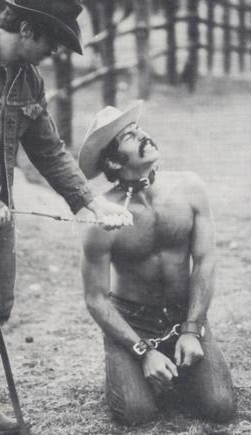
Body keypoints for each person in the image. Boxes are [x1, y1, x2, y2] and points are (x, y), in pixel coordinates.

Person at [0, 1, 133, 434]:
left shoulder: (29, 79)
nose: (55, 53)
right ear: (26, 30)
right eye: (53, 41)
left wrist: (92, 202)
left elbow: (49, 149)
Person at [79, 100, 236, 426]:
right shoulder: (103, 219)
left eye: (139, 129)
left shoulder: (190, 187)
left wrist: (193, 328)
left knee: (220, 407)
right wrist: (141, 350)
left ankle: (177, 367)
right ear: (113, 160)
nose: (143, 136)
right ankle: (138, 369)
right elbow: (95, 298)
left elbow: (205, 260)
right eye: (129, 136)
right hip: (133, 325)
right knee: (138, 413)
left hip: (184, 316)